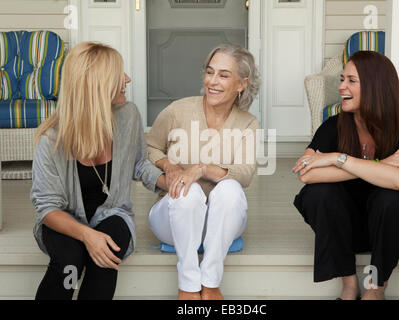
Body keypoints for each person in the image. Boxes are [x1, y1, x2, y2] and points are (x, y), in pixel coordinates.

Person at [31, 42, 167, 300]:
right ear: (97, 85)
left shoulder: (128, 115)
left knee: (107, 249)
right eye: (119, 75)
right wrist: (86, 235)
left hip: (112, 214)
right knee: (69, 260)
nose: (127, 79)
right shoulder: (51, 139)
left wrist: (167, 180)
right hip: (65, 218)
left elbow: (139, 163)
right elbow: (48, 208)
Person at [293, 51, 399, 300]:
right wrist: (383, 165)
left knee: (392, 199)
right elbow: (306, 173)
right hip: (348, 230)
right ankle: (349, 285)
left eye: (351, 81)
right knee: (317, 193)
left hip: (396, 231)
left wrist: (338, 159)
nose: (341, 87)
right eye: (341, 78)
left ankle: (375, 288)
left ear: (376, 87)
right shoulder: (333, 126)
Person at [146, 43, 260, 300]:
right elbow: (150, 147)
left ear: (242, 84)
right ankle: (188, 285)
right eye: (210, 72)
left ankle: (210, 283)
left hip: (221, 223)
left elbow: (244, 173)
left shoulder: (247, 123)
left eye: (223, 74)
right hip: (174, 217)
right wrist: (169, 165)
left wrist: (200, 169)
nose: (213, 81)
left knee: (230, 187)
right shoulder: (178, 110)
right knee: (190, 192)